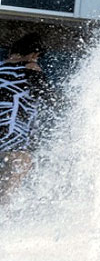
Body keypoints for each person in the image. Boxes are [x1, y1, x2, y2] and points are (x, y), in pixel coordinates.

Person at [0, 33, 51, 203]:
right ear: (34, 54)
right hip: (13, 139)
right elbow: (47, 97)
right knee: (8, 189)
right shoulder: (30, 69)